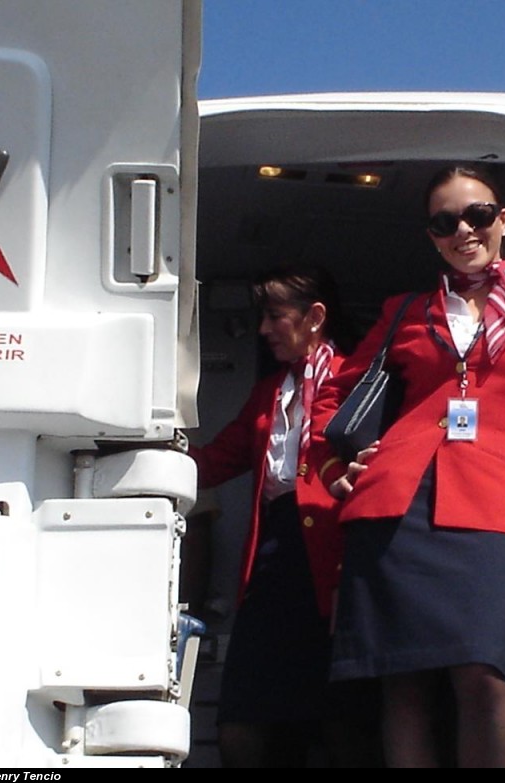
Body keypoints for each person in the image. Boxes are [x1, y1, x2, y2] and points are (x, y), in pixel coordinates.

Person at [307, 165, 505, 768]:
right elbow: (332, 398)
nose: (463, 230)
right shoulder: (406, 310)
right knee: (404, 684)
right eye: (444, 221)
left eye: (476, 214)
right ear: (432, 234)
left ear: (502, 220)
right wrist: (331, 468)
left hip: (491, 509)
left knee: (483, 674)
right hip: (392, 505)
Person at [189, 265, 376, 768]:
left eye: (275, 316)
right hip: (273, 563)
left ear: (315, 317)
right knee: (242, 724)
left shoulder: (356, 379)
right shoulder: (270, 391)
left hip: (336, 564)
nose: (264, 329)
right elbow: (218, 459)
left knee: (341, 722)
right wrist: (149, 458)